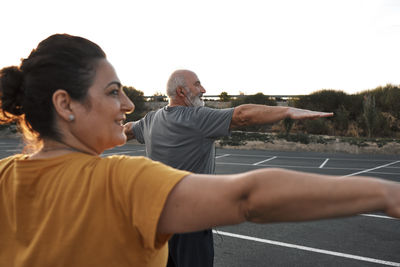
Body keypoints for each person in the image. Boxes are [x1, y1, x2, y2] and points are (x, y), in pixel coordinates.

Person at [0, 34, 399, 267]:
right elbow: (249, 194)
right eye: (113, 92)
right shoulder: (123, 179)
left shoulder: (5, 176)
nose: (126, 103)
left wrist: (112, 130)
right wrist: (384, 193)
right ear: (65, 105)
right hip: (182, 221)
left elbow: (131, 127)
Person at [124, 69, 334, 267]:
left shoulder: (150, 120)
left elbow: (127, 130)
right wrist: (287, 110)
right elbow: (242, 115)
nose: (203, 90)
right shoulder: (197, 118)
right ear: (181, 91)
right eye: (197, 85)